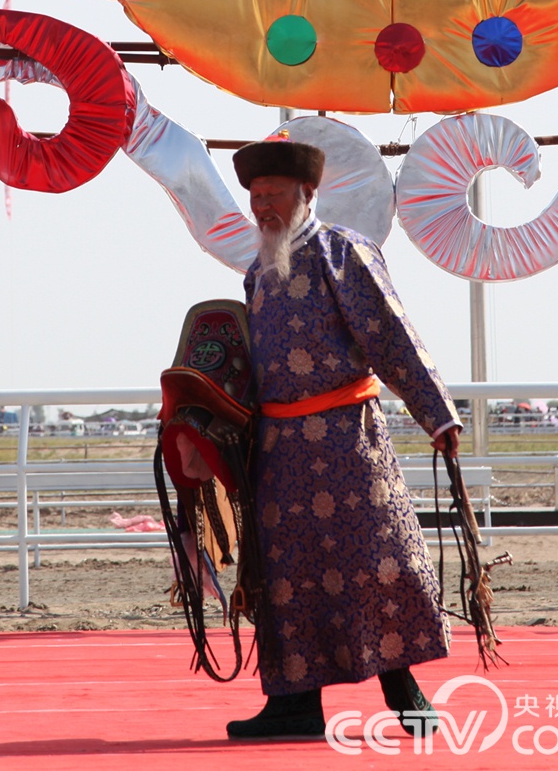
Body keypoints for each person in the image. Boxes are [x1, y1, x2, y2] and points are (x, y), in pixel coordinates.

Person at [227, 132, 462, 739]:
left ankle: (405, 691)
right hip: (280, 451)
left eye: (274, 194)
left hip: (347, 440)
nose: (263, 207)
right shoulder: (257, 272)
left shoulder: (344, 252)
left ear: (307, 192)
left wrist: (436, 414)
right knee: (287, 575)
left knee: (378, 561)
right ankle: (294, 705)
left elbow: (390, 334)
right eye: (255, 196)